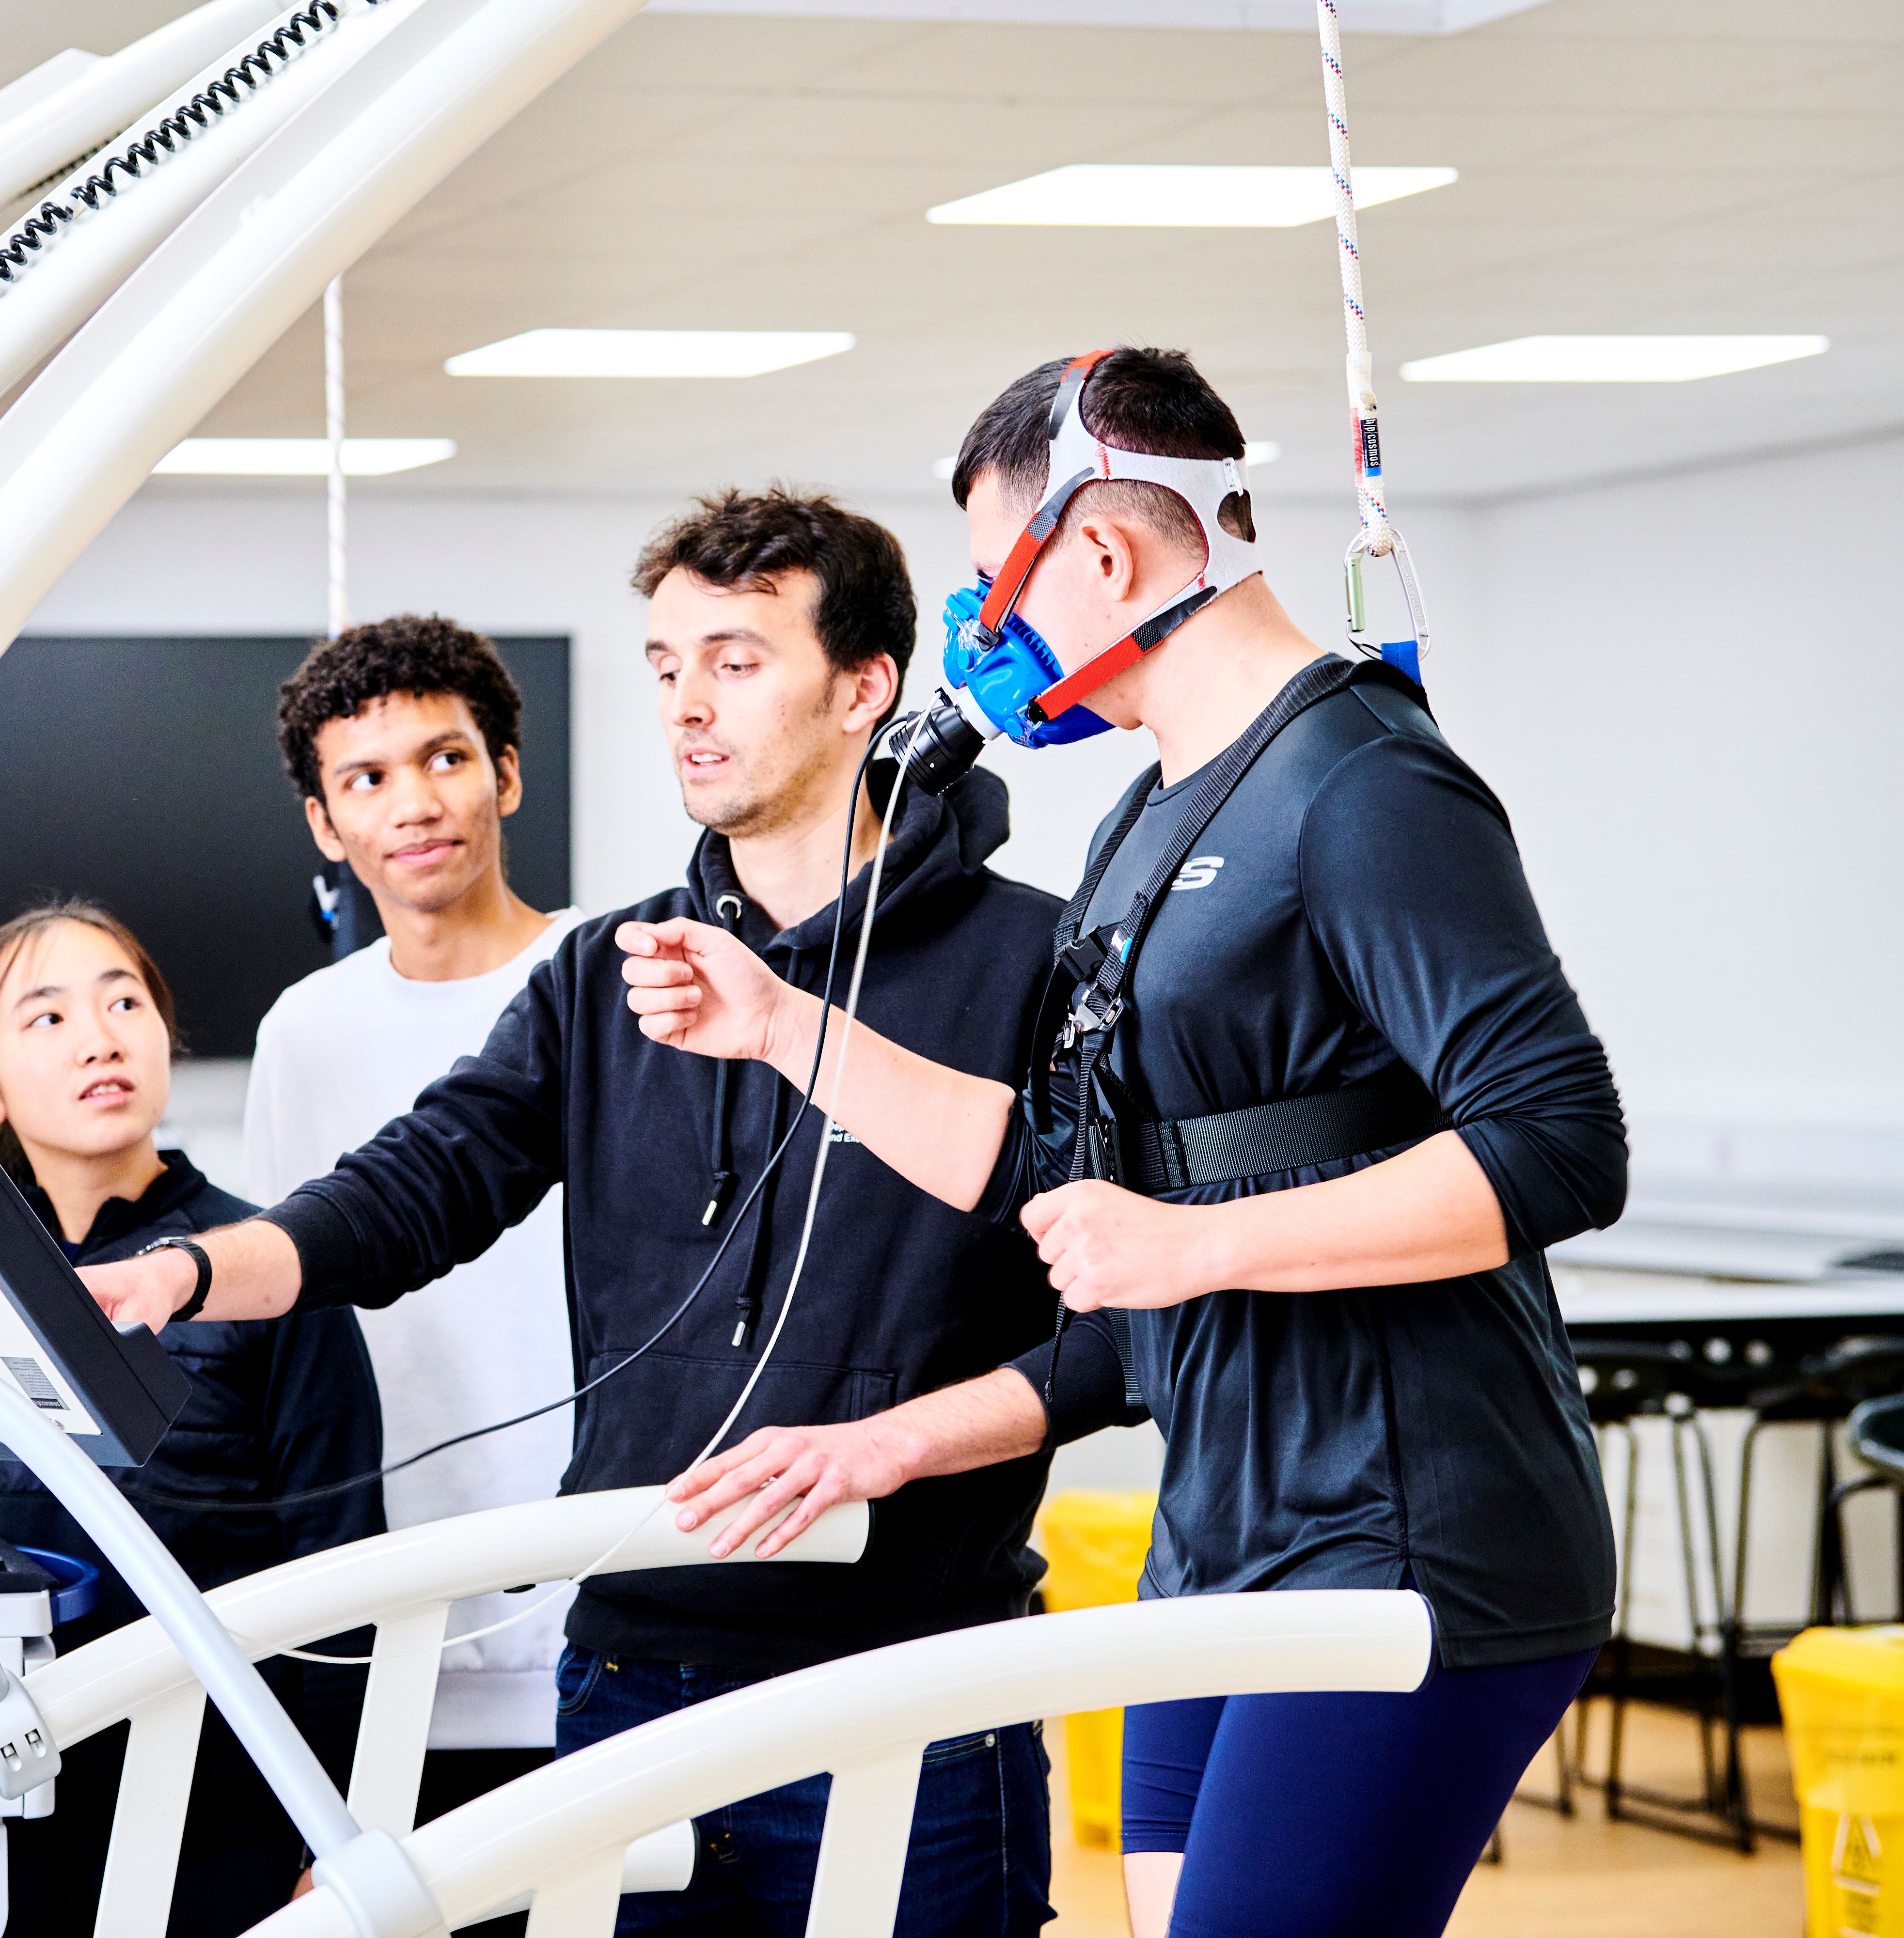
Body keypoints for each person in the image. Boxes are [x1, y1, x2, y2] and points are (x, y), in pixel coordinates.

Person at [630, 350, 1624, 1938]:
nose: (980, 628)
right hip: (1222, 1528)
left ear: (1098, 552)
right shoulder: (1146, 817)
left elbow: (1562, 1140)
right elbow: (1065, 1171)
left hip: (1404, 1534)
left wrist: (1195, 1244)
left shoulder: (1364, 780)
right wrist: (783, 1029)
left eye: (991, 578)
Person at [89, 488, 1068, 1938]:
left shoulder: (1038, 960)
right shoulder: (614, 970)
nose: (687, 705)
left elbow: (1125, 1329)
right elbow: (414, 1189)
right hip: (630, 1679)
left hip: (906, 1677)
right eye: (667, 665)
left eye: (736, 660)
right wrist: (182, 1271)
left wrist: (896, 1443)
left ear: (866, 688)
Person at [0, 901, 384, 1938]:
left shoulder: (262, 1271)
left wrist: (334, 1841)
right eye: (48, 1018)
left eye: (125, 1003)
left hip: (219, 1821)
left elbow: (344, 1579)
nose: (101, 1040)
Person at [243, 616, 583, 1822]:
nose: (416, 803)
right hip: (390, 1606)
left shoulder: (608, 976)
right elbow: (287, 1328)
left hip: (605, 1584)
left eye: (446, 758)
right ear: (325, 824)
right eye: (368, 778)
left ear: (507, 773)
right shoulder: (305, 1029)